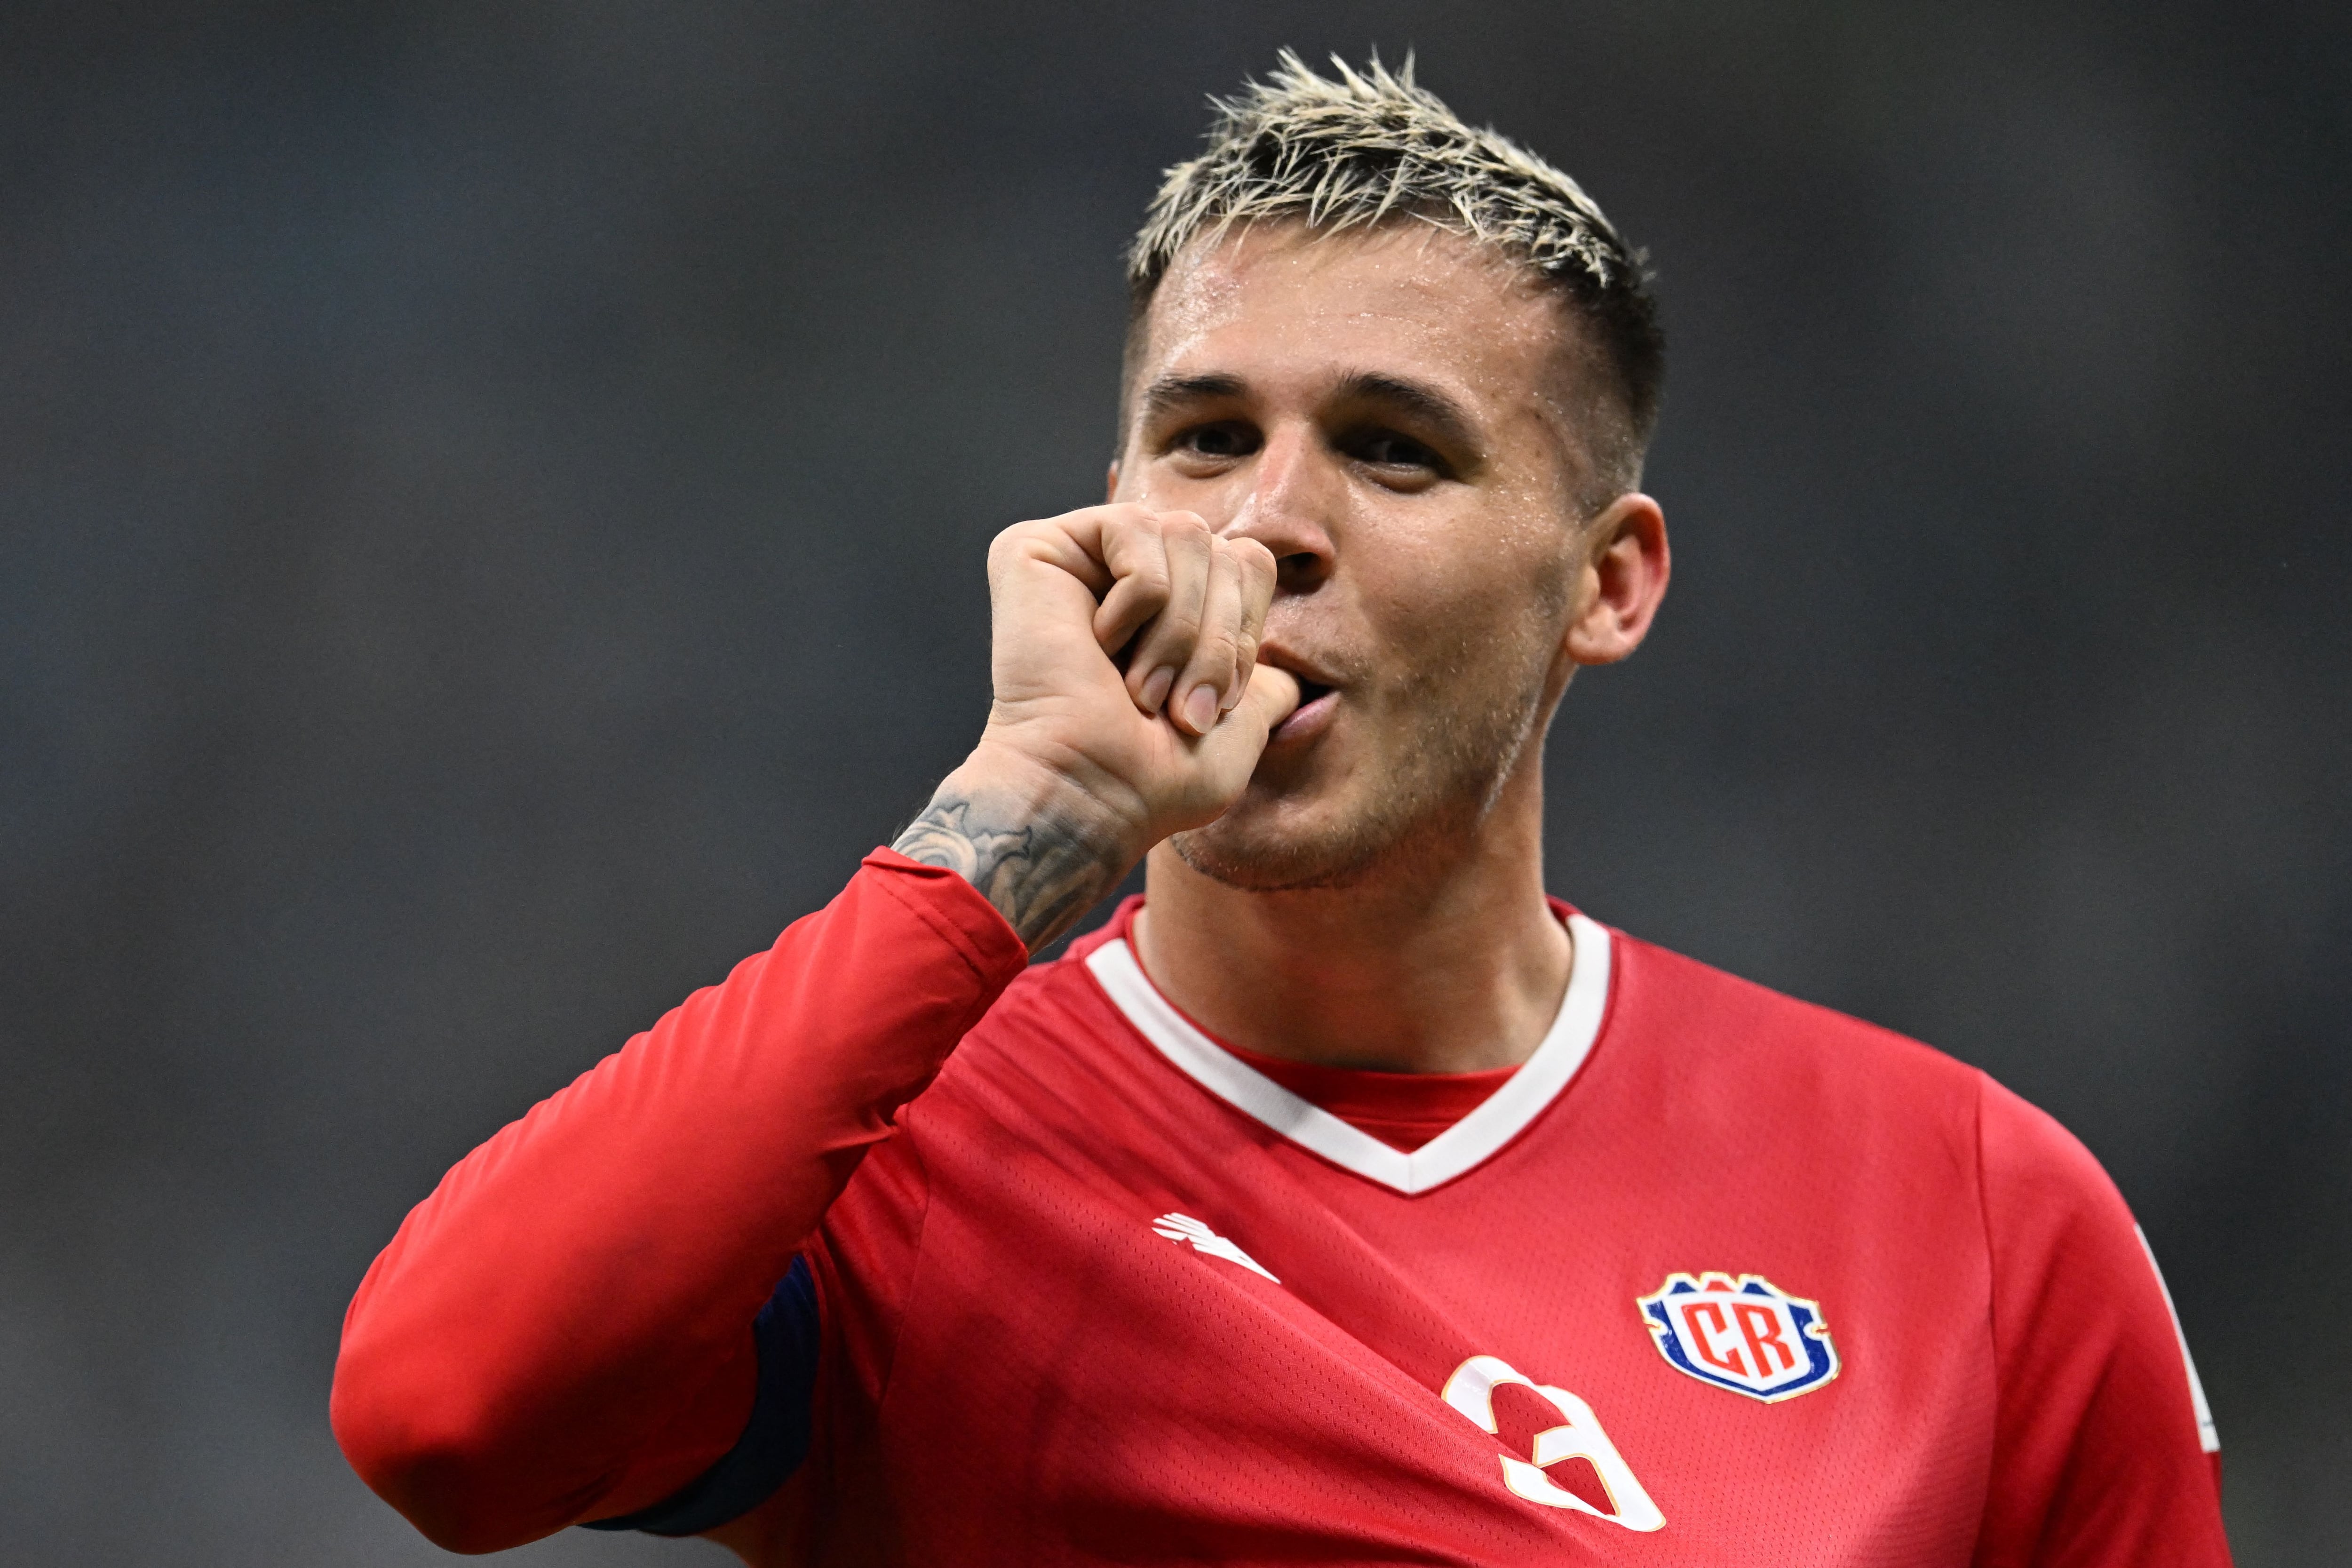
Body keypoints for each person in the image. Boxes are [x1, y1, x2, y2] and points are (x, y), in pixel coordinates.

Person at [330, 54, 2231, 1566]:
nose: (1263, 528)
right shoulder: (893, 1165)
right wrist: (1021, 816)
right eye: (1206, 438)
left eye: (1392, 453)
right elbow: (443, 1414)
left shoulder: (1970, 1212)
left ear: (1607, 582)